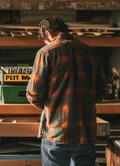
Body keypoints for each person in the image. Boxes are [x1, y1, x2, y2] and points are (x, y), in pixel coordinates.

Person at [26, 16, 108, 166]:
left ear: (48, 34)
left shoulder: (46, 52)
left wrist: (52, 106)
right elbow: (103, 91)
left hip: (57, 134)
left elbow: (34, 94)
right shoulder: (90, 52)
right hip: (86, 135)